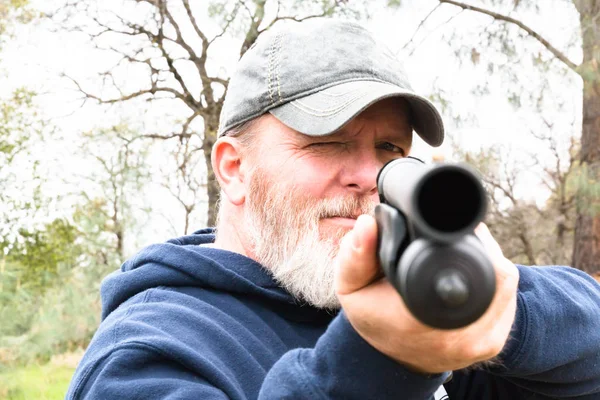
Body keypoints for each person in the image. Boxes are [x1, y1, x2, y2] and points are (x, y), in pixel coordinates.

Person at [66, 19, 600, 399]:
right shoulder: (150, 353)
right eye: (326, 143)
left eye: (391, 150)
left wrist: (505, 313)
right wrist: (380, 361)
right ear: (233, 168)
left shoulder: (409, 304)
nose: (369, 177)